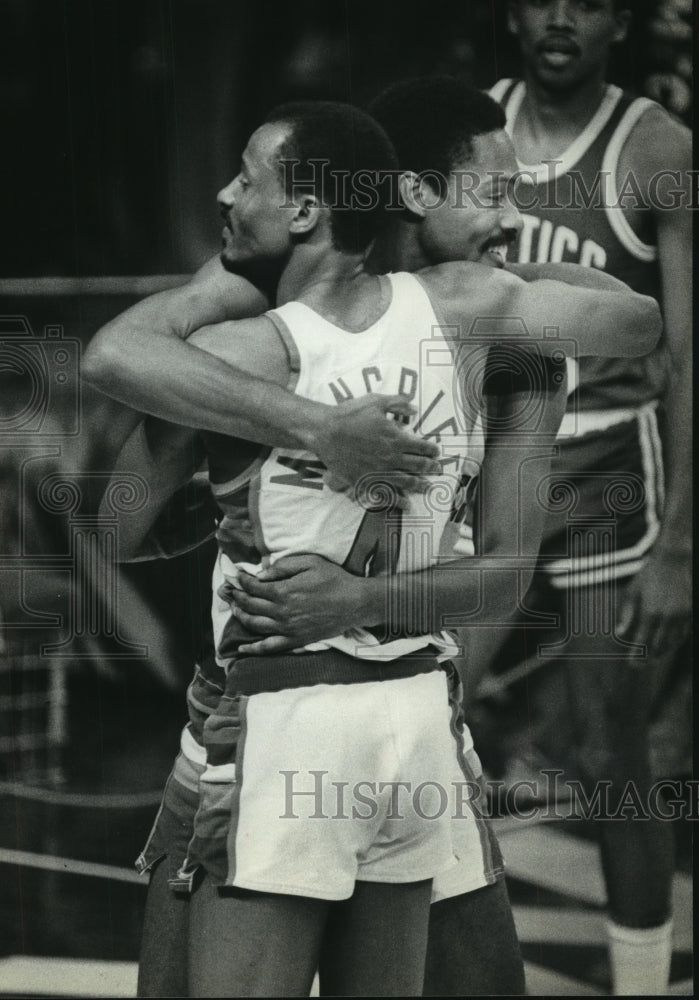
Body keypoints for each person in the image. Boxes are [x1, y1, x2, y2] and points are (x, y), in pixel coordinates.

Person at [84, 86, 661, 996]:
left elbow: (113, 500)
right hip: (406, 719)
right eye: (495, 193)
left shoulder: (237, 340)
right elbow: (639, 321)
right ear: (410, 195)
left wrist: (214, 320)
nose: (513, 217)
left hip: (290, 719)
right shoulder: (494, 320)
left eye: (245, 182)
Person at [480, 1, 692, 994]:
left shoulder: (654, 145)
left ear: (622, 22)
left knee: (613, 749)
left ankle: (642, 983)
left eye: (590, 1)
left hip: (609, 466)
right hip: (492, 457)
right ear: (512, 14)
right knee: (420, 709)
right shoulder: (469, 130)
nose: (562, 17)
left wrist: (682, 545)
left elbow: (686, 359)